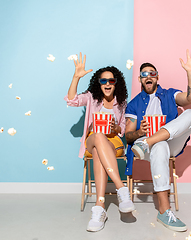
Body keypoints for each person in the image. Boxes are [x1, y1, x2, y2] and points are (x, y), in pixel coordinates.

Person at [125, 48, 191, 232]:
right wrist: (139, 133)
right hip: (144, 149)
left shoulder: (169, 94)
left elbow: (190, 98)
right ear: (140, 79)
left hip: (171, 144)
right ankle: (164, 211)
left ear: (157, 77)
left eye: (151, 73)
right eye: (144, 74)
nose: (148, 77)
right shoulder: (134, 103)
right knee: (159, 145)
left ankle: (151, 140)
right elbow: (128, 136)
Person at [64, 53, 135, 232]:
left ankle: (99, 208)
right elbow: (71, 100)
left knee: (98, 149)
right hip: (92, 139)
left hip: (113, 144)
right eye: (103, 81)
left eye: (111, 80)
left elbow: (124, 130)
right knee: (97, 136)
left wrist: (115, 129)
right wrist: (76, 77)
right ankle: (121, 189)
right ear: (99, 83)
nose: (107, 84)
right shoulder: (91, 98)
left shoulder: (122, 103)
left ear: (116, 82)